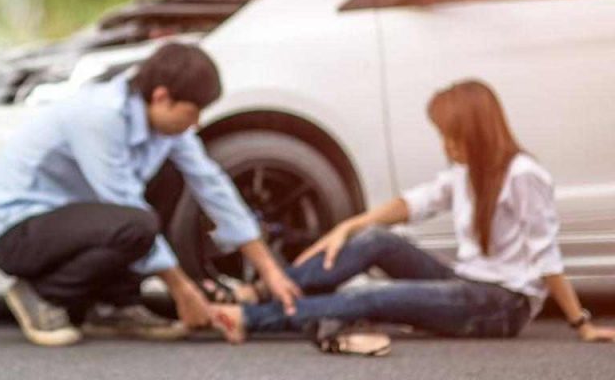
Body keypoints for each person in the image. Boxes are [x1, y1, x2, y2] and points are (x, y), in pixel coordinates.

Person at [211, 80, 615, 352]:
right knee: (375, 242)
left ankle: (249, 318)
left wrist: (581, 323)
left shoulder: (523, 176)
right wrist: (347, 227)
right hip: (468, 283)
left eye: (450, 135)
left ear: (476, 132)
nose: (445, 145)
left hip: (502, 306)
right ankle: (260, 292)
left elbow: (547, 257)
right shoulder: (466, 172)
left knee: (370, 297)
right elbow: (413, 203)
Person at [0, 42, 301, 346]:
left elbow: (211, 185)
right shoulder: (99, 115)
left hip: (70, 221)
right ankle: (41, 295)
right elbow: (123, 202)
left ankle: (114, 306)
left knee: (168, 183)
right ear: (162, 97)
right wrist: (182, 290)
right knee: (137, 223)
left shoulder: (166, 129)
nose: (197, 123)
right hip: (17, 231)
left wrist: (270, 271)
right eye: (192, 112)